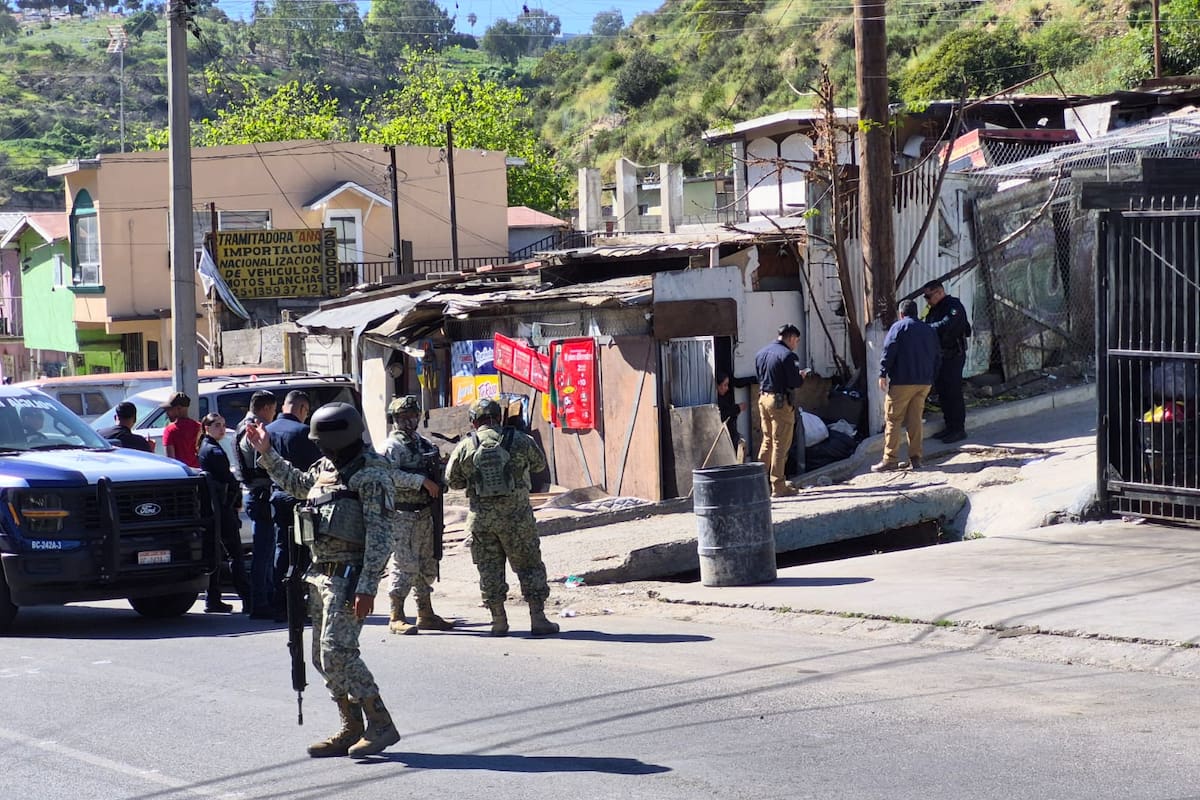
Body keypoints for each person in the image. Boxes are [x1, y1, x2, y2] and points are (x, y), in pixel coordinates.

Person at [243, 403, 402, 759]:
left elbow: (381, 533)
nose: (320, 448)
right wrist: (266, 453)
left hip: (349, 577)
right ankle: (351, 726)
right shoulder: (327, 467)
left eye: (323, 442)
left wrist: (367, 586)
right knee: (320, 657)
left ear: (340, 438)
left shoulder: (371, 474)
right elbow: (300, 486)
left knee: (338, 652)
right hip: (320, 575)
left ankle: (381, 723)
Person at [446, 397, 558, 637]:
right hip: (517, 518)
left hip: (483, 521)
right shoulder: (520, 440)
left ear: (474, 422)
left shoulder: (466, 446)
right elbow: (539, 466)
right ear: (499, 417)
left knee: (489, 569)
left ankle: (499, 621)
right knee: (529, 566)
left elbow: (452, 481)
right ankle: (538, 619)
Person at [381, 395, 452, 636]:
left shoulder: (424, 444)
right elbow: (387, 475)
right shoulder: (391, 447)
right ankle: (396, 615)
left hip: (425, 513)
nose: (410, 421)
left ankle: (426, 613)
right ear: (395, 420)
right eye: (404, 417)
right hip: (402, 515)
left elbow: (437, 470)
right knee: (404, 565)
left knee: (427, 563)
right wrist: (419, 480)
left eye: (413, 416)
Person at [266, 390, 320, 622]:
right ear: (301, 409)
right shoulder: (303, 432)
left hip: (275, 496)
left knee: (280, 548)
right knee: (302, 552)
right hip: (300, 499)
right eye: (306, 412)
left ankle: (279, 602)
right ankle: (296, 603)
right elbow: (314, 469)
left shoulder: (267, 430)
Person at [873, 299, 942, 473]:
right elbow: (937, 356)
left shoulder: (898, 327)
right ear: (916, 312)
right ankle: (916, 458)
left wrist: (882, 373)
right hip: (924, 383)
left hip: (902, 382)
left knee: (893, 419)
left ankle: (890, 459)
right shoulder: (929, 330)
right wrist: (931, 377)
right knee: (915, 419)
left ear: (901, 313)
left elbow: (889, 351)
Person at [197, 413, 252, 614]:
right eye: (217, 425)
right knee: (235, 554)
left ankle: (213, 598)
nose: (221, 429)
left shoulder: (207, 447)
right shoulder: (213, 451)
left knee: (216, 553)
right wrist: (236, 500)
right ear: (206, 428)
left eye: (222, 425)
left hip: (214, 508)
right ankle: (247, 597)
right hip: (222, 508)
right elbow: (229, 480)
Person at [235, 390, 279, 620]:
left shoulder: (243, 424)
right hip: (261, 494)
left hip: (255, 493)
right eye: (273, 409)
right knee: (263, 553)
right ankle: (260, 601)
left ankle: (262, 598)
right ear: (265, 408)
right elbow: (260, 463)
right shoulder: (255, 429)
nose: (275, 414)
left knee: (264, 551)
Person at [754, 324, 807, 498]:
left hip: (763, 399)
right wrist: (801, 376)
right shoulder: (788, 356)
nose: (796, 344)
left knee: (767, 441)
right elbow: (795, 383)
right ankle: (778, 485)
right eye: (796, 341)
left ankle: (758, 483)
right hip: (780, 403)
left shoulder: (761, 353)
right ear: (791, 338)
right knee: (780, 443)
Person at [922, 279, 972, 444]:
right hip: (940, 357)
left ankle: (958, 429)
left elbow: (947, 324)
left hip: (953, 355)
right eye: (925, 297)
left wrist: (927, 329)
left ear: (939, 292)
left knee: (953, 392)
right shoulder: (934, 309)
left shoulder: (953, 305)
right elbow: (928, 324)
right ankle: (950, 426)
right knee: (943, 392)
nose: (927, 300)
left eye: (929, 296)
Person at [162, 392, 201, 467]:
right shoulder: (199, 427)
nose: (167, 413)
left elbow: (171, 461)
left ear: (178, 408)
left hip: (182, 474)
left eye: (169, 409)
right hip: (199, 474)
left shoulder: (170, 430)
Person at [715, 371, 747, 460]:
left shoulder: (724, 397)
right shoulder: (716, 400)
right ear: (718, 386)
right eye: (725, 385)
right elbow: (724, 414)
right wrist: (737, 408)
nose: (727, 388)